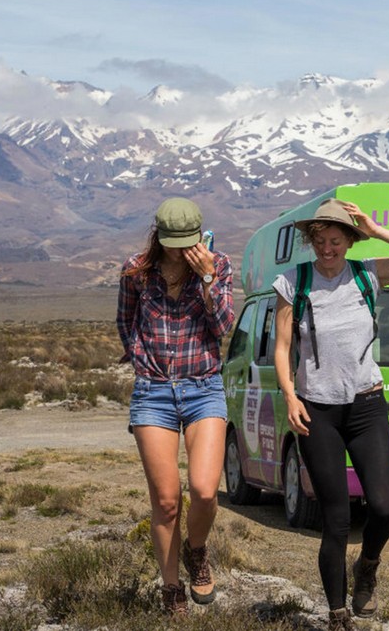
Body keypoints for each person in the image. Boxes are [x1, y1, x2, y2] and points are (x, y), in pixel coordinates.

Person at [272, 198, 389, 630]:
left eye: (336, 240)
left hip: (367, 406)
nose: (327, 249)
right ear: (311, 242)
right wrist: (290, 397)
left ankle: (367, 567)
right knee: (337, 520)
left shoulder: (367, 274)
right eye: (320, 241)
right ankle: (337, 614)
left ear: (349, 241)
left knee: (383, 509)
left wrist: (375, 228)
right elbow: (283, 348)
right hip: (317, 412)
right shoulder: (293, 283)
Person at [116, 197, 235, 616]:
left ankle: (196, 549)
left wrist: (207, 279)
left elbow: (223, 326)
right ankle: (171, 589)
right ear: (158, 236)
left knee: (204, 490)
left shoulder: (219, 265)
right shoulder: (136, 270)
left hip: (204, 387)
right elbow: (125, 321)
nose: (180, 250)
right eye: (173, 243)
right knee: (166, 501)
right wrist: (139, 356)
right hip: (153, 393)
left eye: (187, 242)